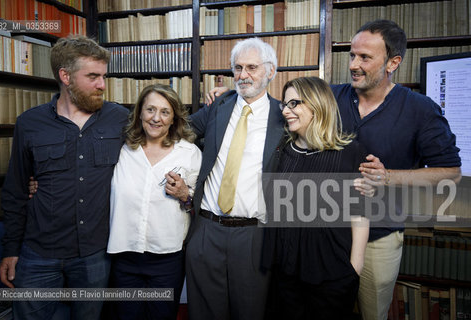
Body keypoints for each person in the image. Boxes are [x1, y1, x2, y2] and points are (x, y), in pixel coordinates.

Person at [205, 20, 461, 320]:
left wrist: (388, 177)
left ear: (393, 62)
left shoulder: (420, 109)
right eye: (352, 55)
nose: (354, 64)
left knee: (367, 311)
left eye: (365, 57)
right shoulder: (332, 97)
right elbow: (284, 111)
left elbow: (450, 172)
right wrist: (235, 95)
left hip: (376, 234)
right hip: (315, 242)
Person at [0, 35, 129, 320]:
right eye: (93, 76)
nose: (102, 85)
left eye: (103, 76)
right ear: (65, 76)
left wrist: (219, 103)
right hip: (38, 254)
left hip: (95, 253)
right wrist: (10, 251)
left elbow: (167, 133)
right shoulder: (30, 123)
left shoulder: (119, 118)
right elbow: (15, 190)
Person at [185, 37, 285, 320]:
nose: (243, 75)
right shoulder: (220, 105)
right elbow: (181, 132)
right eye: (238, 68)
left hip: (254, 235)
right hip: (207, 229)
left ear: (271, 71)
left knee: (250, 312)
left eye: (252, 67)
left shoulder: (284, 115)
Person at [262, 76, 370, 319]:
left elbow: (360, 214)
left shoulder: (351, 153)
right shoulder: (283, 151)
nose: (286, 111)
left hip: (332, 275)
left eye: (294, 104)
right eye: (284, 105)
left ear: (317, 104)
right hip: (286, 275)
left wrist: (354, 269)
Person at [106, 84, 202, 320]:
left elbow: (198, 208)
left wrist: (184, 195)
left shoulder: (189, 153)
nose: (156, 118)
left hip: (167, 261)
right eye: (150, 110)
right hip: (124, 257)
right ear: (139, 113)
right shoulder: (121, 150)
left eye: (165, 112)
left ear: (174, 119)